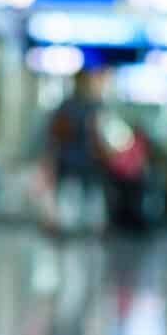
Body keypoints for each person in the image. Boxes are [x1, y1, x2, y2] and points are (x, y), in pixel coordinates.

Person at [45, 67, 114, 234]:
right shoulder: (95, 107)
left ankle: (71, 230)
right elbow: (101, 136)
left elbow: (54, 136)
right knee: (87, 200)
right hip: (86, 162)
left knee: (72, 200)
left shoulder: (66, 107)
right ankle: (85, 230)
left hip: (71, 162)